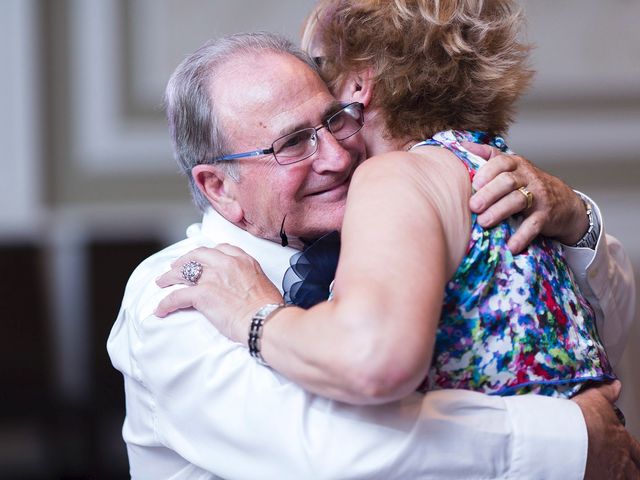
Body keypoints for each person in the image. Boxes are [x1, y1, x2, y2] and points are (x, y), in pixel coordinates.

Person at [108, 32, 638, 479]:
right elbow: (339, 454)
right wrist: (574, 440)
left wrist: (576, 218)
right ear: (219, 187)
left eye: (336, 120)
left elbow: (602, 330)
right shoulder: (179, 289)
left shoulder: (389, 225)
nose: (338, 157)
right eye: (293, 144)